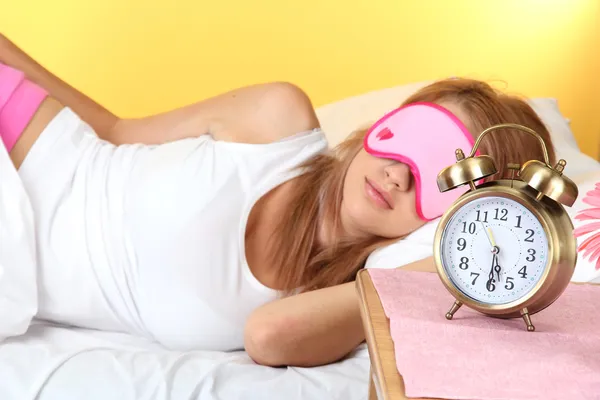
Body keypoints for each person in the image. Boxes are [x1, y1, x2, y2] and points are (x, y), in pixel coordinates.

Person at [0, 33, 555, 367]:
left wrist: (459, 263)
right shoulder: (277, 121)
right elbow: (115, 130)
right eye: (412, 141)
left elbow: (266, 339)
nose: (398, 177)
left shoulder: (338, 299)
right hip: (22, 148)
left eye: (445, 179)